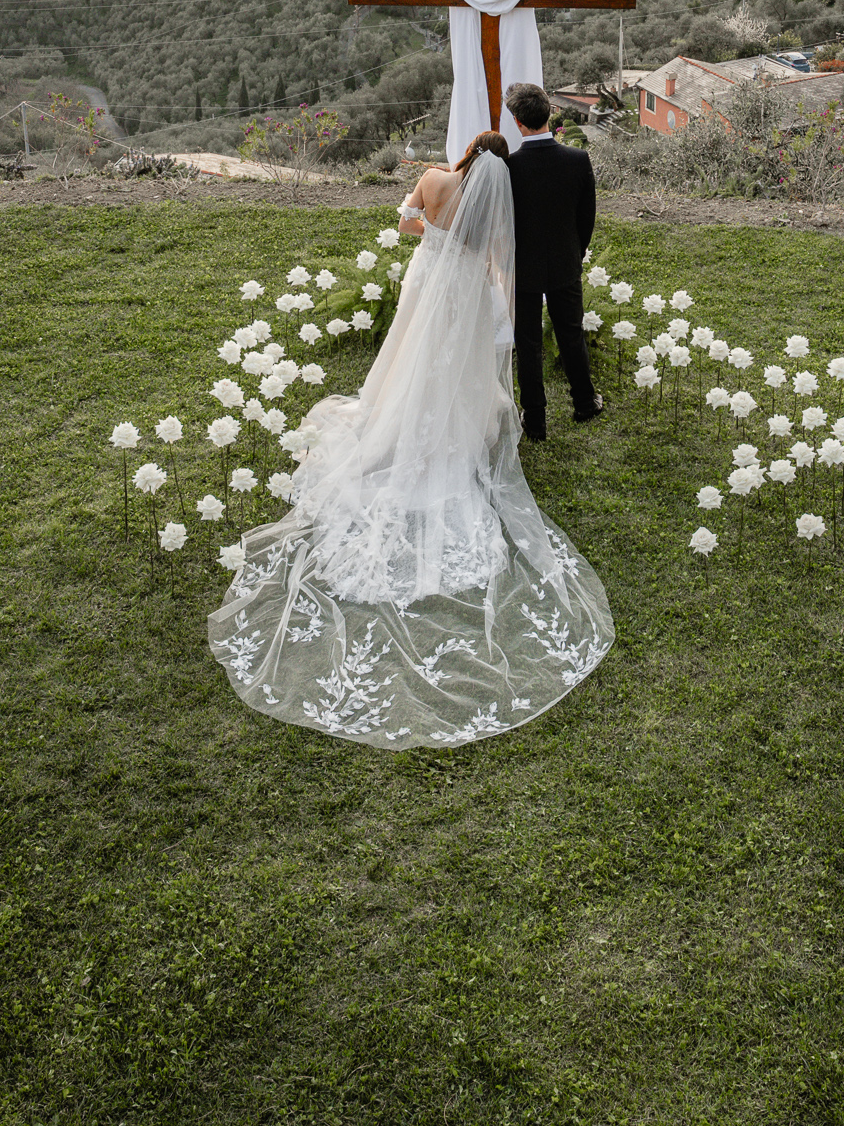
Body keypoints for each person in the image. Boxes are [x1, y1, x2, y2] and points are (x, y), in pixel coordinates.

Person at [208, 131, 613, 750]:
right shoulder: (496, 204)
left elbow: (405, 225)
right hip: (468, 294)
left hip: (428, 283)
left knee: (410, 360)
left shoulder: (433, 177)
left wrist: (433, 232)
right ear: (498, 172)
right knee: (453, 370)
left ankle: (399, 425)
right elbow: (498, 262)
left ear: (469, 156)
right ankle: (451, 431)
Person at [503, 80, 603, 443]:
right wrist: (574, 254)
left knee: (527, 343)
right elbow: (586, 219)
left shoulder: (509, 167)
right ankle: (584, 403)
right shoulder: (578, 160)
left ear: (517, 121)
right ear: (550, 114)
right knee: (571, 334)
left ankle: (537, 421)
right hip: (564, 261)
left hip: (523, 267)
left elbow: (505, 223)